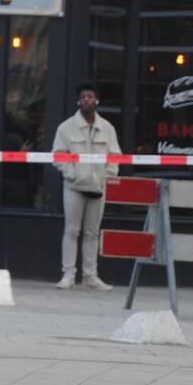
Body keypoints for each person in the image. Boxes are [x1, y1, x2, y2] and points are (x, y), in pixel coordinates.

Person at [52, 80, 121, 291]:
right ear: (78, 100)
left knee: (92, 232)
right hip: (73, 187)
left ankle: (90, 275)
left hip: (98, 186)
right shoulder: (65, 127)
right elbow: (58, 156)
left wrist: (106, 177)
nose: (86, 100)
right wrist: (71, 174)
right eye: (83, 97)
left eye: (90, 96)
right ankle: (68, 274)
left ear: (96, 100)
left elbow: (115, 156)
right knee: (71, 231)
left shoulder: (107, 128)